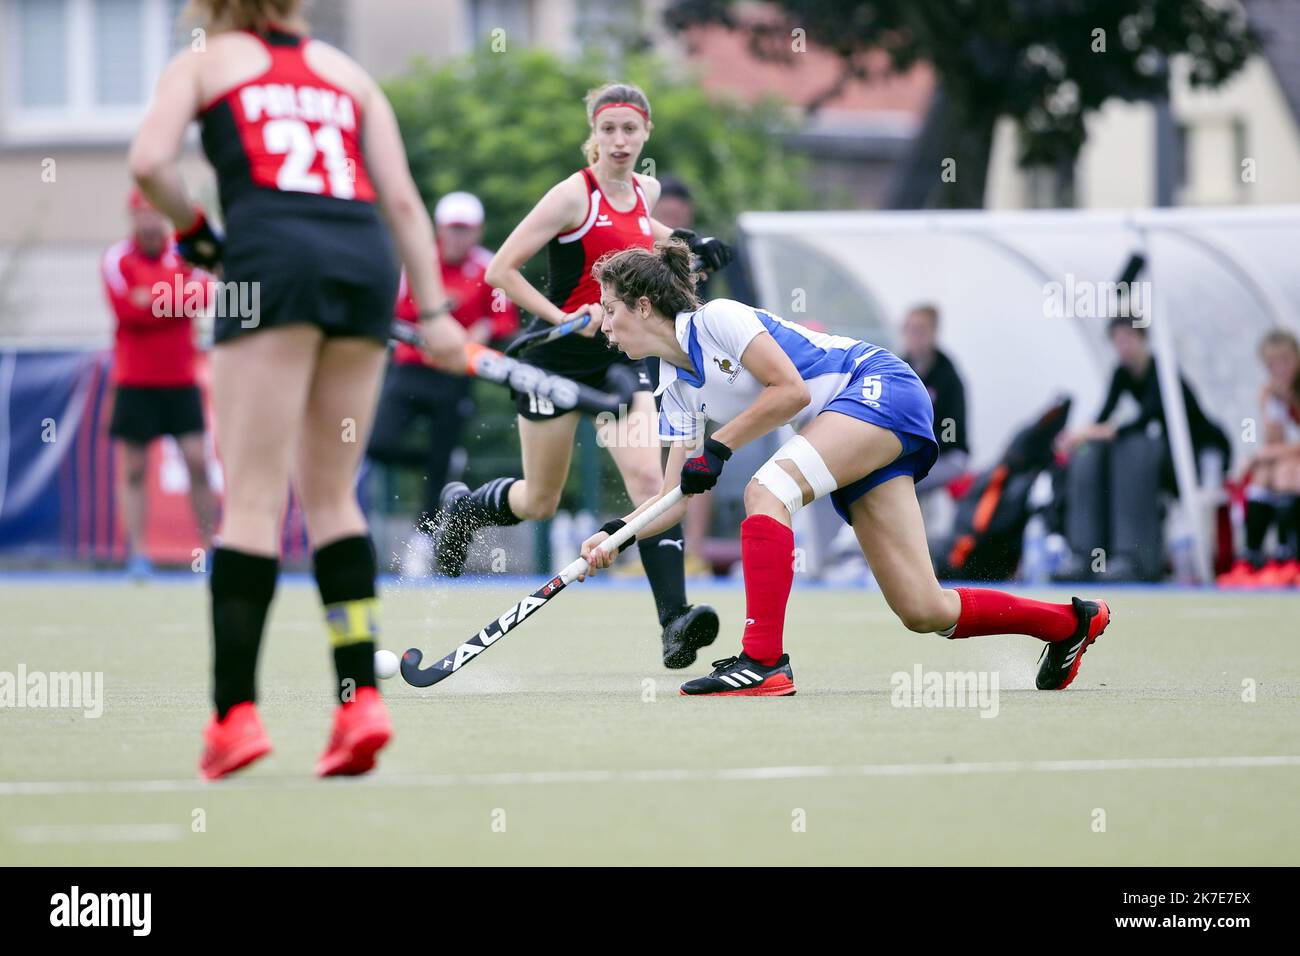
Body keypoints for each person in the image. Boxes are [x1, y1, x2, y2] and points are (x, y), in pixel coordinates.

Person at [129, 0, 467, 779]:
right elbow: (404, 202)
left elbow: (150, 164)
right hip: (363, 263)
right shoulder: (350, 76)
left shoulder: (204, 62)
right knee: (332, 498)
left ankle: (235, 716)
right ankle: (357, 704)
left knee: (251, 499)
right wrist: (439, 314)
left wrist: (196, 234)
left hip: (269, 262)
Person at [579, 240, 1111, 696]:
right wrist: (617, 535)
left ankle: (762, 663)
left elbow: (791, 391)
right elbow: (674, 499)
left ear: (643, 306)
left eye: (609, 309)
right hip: (848, 429)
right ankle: (1069, 624)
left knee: (768, 490)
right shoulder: (672, 389)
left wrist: (717, 448)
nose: (603, 325)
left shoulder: (718, 319)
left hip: (877, 388)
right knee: (923, 608)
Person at [438, 83, 732, 669]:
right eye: (608, 131)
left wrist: (688, 246)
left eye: (630, 129)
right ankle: (465, 510)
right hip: (555, 365)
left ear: (645, 132)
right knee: (540, 500)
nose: (619, 141)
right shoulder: (572, 195)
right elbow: (501, 270)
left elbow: (639, 235)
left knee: (652, 484)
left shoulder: (645, 191)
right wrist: (563, 319)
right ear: (593, 137)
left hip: (619, 360)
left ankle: (674, 622)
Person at [366, 191, 519, 574]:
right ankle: (444, 460)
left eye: (465, 230)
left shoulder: (488, 267)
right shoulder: (418, 263)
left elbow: (501, 320)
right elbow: (397, 316)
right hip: (412, 369)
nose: (457, 237)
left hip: (455, 376)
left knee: (438, 467)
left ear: (477, 231)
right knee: (378, 444)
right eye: (452, 228)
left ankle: (422, 542)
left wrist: (470, 338)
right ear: (439, 229)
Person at [1058, 317, 1230, 580]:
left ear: (1142, 339)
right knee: (1093, 452)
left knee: (1131, 448)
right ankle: (1088, 557)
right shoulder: (1122, 373)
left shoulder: (1162, 373)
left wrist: (1090, 432)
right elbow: (1104, 415)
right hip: (1163, 452)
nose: (1123, 346)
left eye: (1128, 338)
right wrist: (1079, 436)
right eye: (1117, 340)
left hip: (1195, 452)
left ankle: (1137, 558)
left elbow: (1143, 420)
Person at [103, 188, 217, 578]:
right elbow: (126, 309)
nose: (150, 221)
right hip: (135, 381)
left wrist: (150, 298)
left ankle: (210, 549)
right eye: (143, 213)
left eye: (157, 213)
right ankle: (138, 555)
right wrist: (172, 299)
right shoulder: (116, 259)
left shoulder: (185, 255)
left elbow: (201, 295)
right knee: (133, 469)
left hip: (181, 380)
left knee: (198, 463)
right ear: (132, 216)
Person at [1218, 330, 1300, 587]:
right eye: (1272, 364)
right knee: (1264, 474)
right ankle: (1253, 557)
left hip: (1293, 463)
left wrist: (1263, 455)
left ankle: (1291, 557)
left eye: (1284, 361)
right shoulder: (1271, 393)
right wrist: (1270, 406)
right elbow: (1274, 441)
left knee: (1286, 472)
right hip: (1287, 458)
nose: (1279, 369)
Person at [899, 304, 970, 492]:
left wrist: (917, 449)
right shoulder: (898, 369)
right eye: (910, 329)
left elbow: (951, 434)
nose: (914, 337)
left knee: (900, 482)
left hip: (948, 456)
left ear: (934, 334)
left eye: (921, 330)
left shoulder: (948, 378)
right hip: (908, 453)